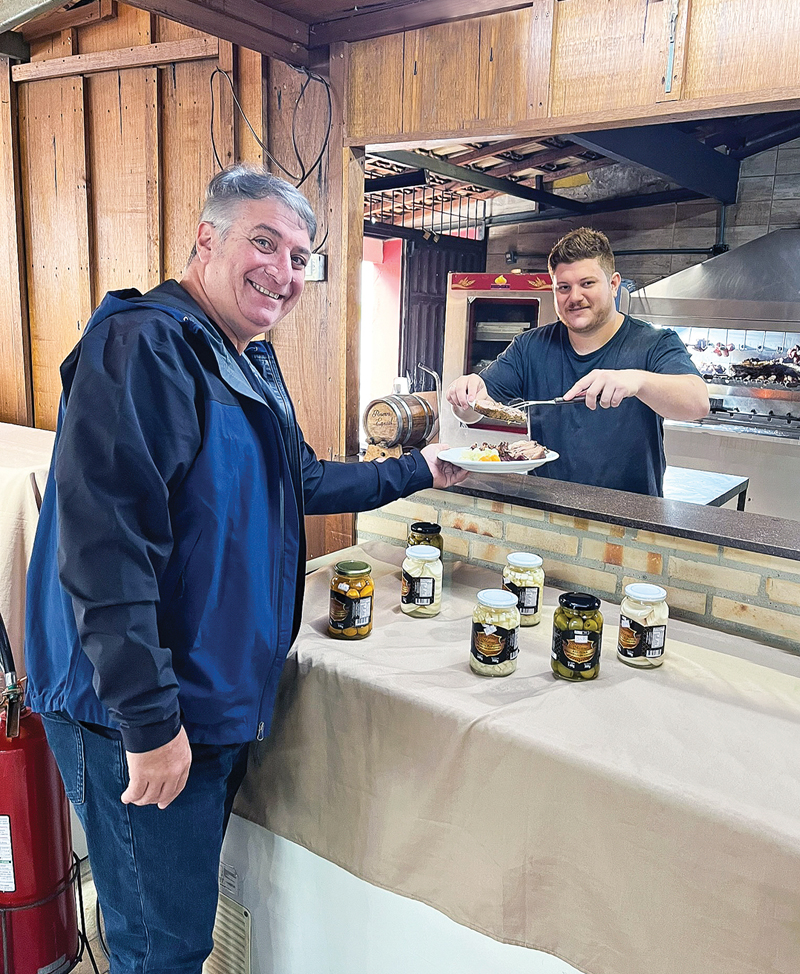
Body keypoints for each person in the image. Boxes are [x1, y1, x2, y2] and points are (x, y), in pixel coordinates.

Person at [24, 164, 467, 972]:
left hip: (207, 699)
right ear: (207, 238)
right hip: (133, 708)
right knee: (162, 950)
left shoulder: (246, 358)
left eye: (300, 257)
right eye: (265, 243)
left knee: (175, 934)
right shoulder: (144, 343)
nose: (285, 271)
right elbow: (105, 548)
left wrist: (423, 470)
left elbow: (301, 480)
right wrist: (151, 724)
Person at [446, 227, 709, 495]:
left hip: (629, 518)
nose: (575, 297)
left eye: (587, 283)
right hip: (548, 512)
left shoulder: (654, 342)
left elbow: (697, 404)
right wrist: (464, 397)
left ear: (614, 284)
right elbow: (472, 411)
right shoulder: (530, 347)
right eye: (564, 287)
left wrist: (637, 380)